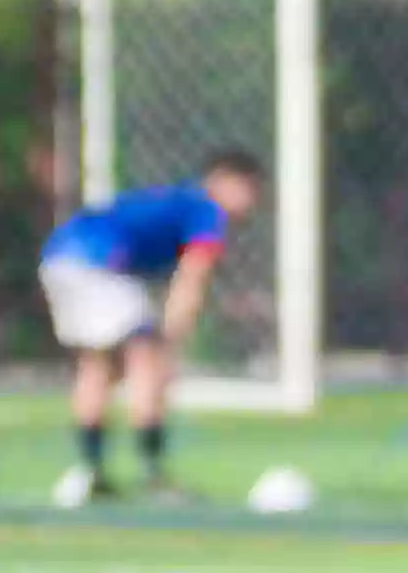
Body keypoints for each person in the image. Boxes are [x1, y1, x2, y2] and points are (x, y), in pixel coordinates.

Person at [38, 147, 265, 500]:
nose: (251, 202)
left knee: (98, 365)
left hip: (58, 256)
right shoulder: (205, 211)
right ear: (222, 182)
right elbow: (193, 277)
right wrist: (171, 341)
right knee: (147, 361)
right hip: (98, 262)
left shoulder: (178, 200)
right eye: (248, 189)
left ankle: (91, 472)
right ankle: (153, 475)